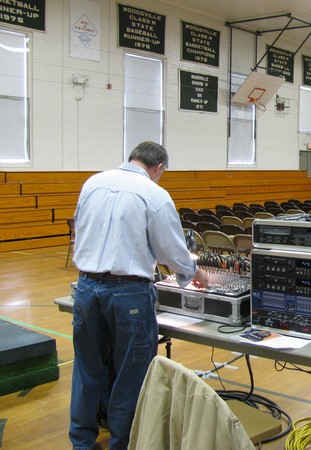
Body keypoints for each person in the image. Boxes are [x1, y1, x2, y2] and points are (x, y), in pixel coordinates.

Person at [69, 141, 208, 450]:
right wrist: (193, 273)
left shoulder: (93, 183)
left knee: (87, 371)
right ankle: (122, 444)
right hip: (128, 293)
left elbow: (81, 229)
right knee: (131, 377)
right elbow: (170, 248)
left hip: (86, 288)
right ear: (158, 168)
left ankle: (81, 443)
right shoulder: (154, 194)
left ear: (133, 158)